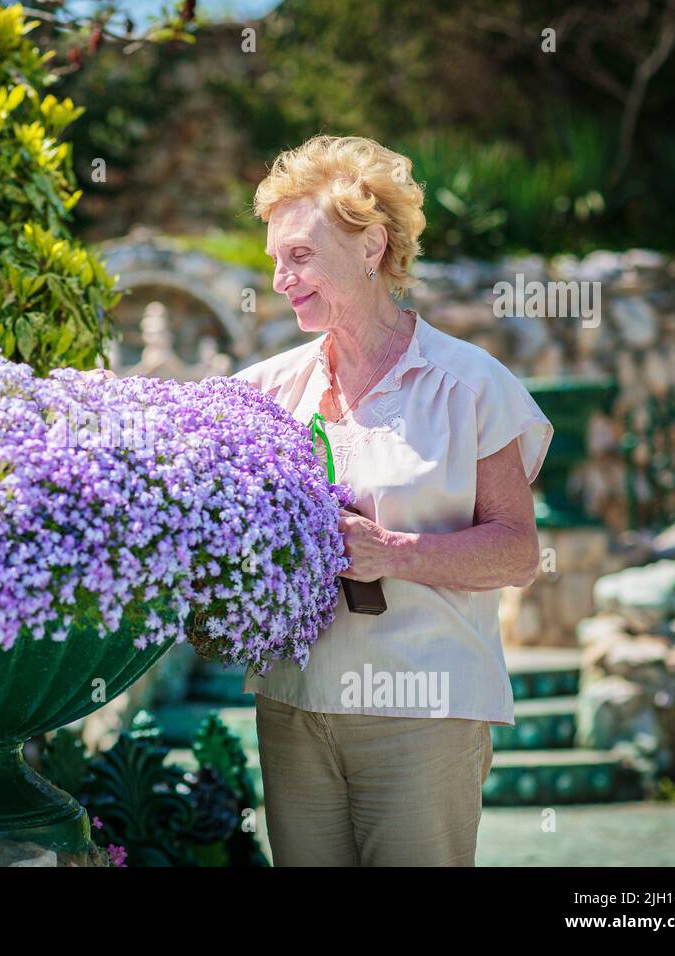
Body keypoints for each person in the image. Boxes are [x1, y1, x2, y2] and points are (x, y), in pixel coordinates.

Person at [229, 134, 553, 866]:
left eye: (301, 256)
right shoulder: (264, 392)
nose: (282, 279)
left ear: (371, 245)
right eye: (276, 259)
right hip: (293, 707)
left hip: (422, 712)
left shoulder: (468, 384)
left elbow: (518, 550)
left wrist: (392, 552)